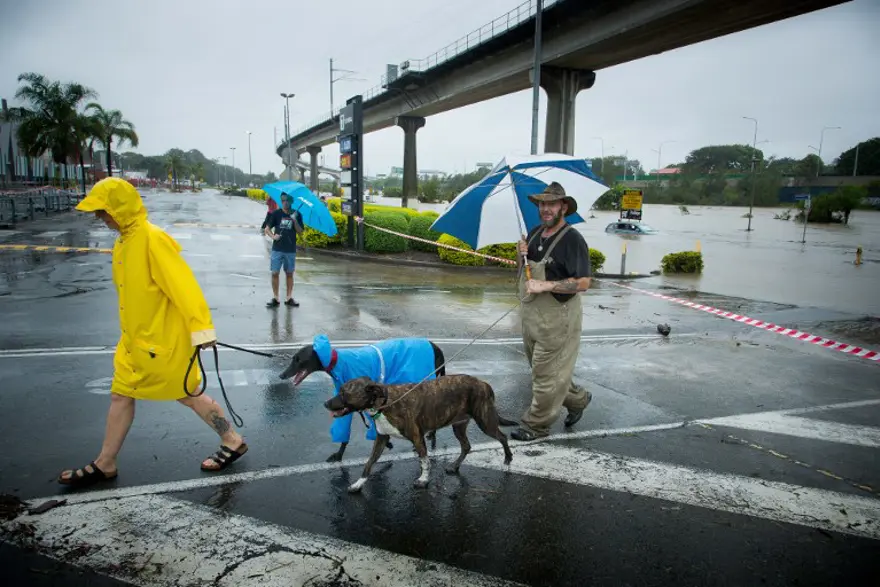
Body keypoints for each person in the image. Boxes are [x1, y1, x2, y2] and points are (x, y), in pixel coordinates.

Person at [58, 178, 247, 487]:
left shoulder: (152, 239)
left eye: (103, 211)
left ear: (119, 208)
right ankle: (105, 462)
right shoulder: (123, 241)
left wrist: (201, 329)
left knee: (188, 393)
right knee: (121, 394)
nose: (99, 218)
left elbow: (183, 287)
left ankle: (232, 439)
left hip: (162, 342)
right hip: (133, 341)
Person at [511, 181, 593, 441]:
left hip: (559, 318)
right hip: (532, 317)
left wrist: (545, 284)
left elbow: (583, 283)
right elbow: (524, 271)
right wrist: (520, 253)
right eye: (542, 204)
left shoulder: (573, 239)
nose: (546, 209)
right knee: (545, 371)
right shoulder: (534, 233)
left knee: (546, 376)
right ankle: (578, 400)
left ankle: (535, 426)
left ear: (563, 207)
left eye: (551, 204)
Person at [264, 192, 304, 307]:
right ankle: (276, 298)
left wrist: (295, 220)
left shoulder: (297, 214)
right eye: (283, 200)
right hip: (277, 248)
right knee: (275, 273)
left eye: (287, 200)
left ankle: (289, 298)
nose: (285, 202)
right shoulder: (276, 213)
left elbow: (300, 232)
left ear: (291, 201)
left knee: (289, 273)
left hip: (290, 249)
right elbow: (267, 229)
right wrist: (273, 236)